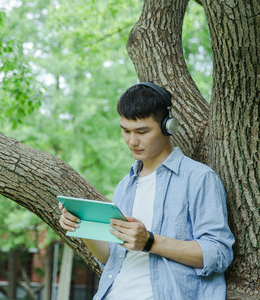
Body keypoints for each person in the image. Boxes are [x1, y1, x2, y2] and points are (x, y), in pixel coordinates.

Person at [59, 82, 235, 300]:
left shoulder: (199, 178)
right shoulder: (125, 186)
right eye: (125, 131)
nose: (132, 141)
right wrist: (81, 227)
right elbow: (112, 258)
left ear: (168, 126)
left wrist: (150, 242)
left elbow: (218, 254)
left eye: (142, 132)